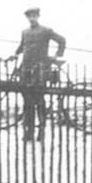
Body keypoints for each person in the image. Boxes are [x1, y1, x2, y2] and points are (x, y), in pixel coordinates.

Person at [13, 7, 66, 143]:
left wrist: (56, 56)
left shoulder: (46, 31)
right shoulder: (25, 32)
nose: (32, 18)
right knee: (27, 101)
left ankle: (41, 130)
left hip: (40, 69)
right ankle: (28, 132)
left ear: (38, 16)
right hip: (26, 69)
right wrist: (15, 54)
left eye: (34, 16)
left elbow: (61, 40)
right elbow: (22, 46)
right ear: (27, 18)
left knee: (39, 100)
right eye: (30, 16)